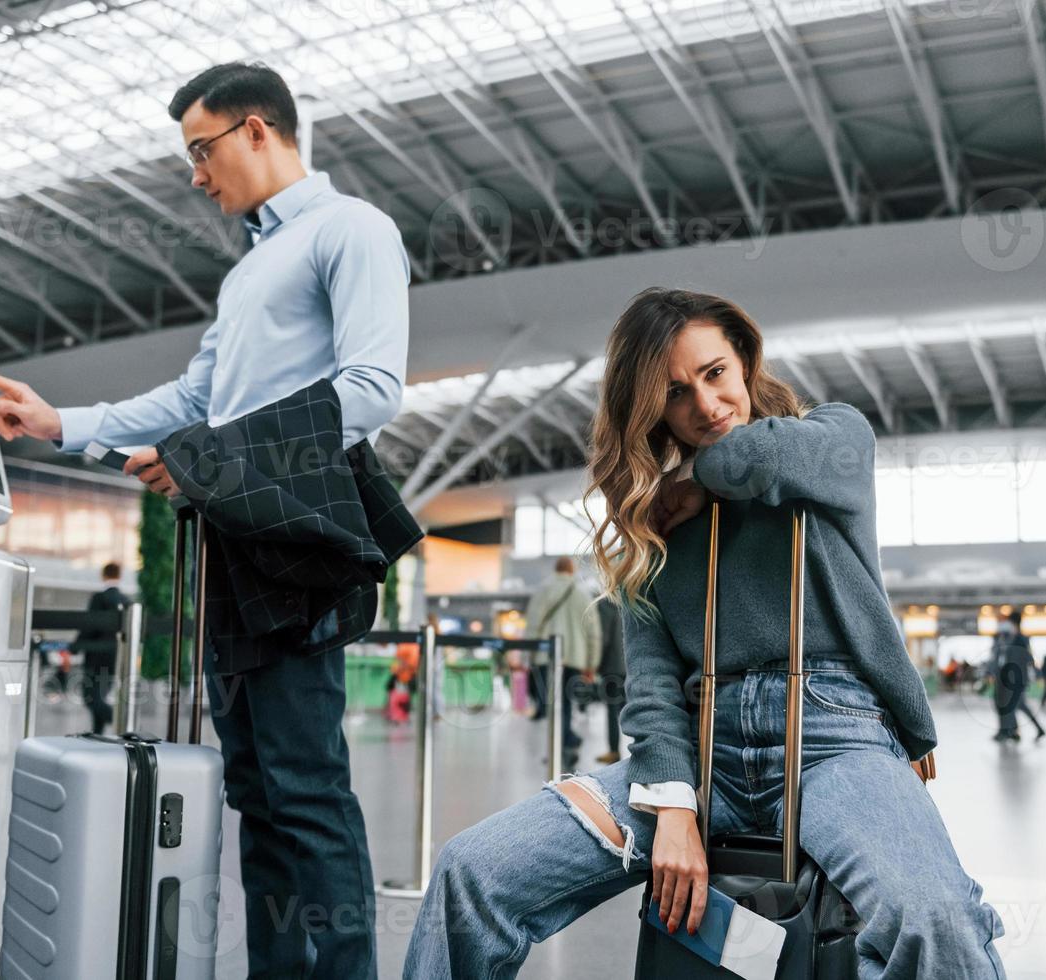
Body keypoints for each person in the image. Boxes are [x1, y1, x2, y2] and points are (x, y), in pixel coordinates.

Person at [403, 288, 1005, 979]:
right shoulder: (650, 526)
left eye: (715, 373)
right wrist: (674, 809)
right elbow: (653, 686)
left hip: (834, 742)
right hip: (698, 749)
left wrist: (699, 481)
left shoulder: (831, 443)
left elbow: (745, 460)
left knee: (935, 919)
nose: (706, 406)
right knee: (471, 873)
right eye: (674, 393)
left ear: (745, 359)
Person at [0, 62, 409, 980]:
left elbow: (371, 391)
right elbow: (193, 398)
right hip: (235, 549)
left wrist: (214, 459)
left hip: (295, 549)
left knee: (306, 791)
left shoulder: (351, 230)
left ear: (256, 130)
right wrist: (62, 424)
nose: (196, 175)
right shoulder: (253, 270)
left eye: (201, 151)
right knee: (259, 791)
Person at [524, 557, 603, 769]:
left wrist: (528, 657)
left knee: (551, 704)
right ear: (572, 570)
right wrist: (591, 664)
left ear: (556, 569)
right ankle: (565, 742)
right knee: (566, 703)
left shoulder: (542, 591)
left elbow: (532, 625)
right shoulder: (582, 594)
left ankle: (564, 743)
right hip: (575, 659)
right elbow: (593, 633)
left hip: (545, 657)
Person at [71, 562, 126, 734]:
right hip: (114, 658)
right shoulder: (125, 600)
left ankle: (122, 725)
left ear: (103, 575)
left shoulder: (99, 598)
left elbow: (89, 626)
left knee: (90, 698)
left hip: (95, 657)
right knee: (99, 695)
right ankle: (97, 732)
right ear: (119, 576)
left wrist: (75, 647)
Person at [993, 610, 1046, 742]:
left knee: (1013, 706)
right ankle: (1032, 730)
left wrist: (1036, 674)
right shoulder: (1010, 638)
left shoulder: (1020, 639)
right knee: (1019, 706)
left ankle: (1011, 732)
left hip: (1017, 679)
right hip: (1013, 679)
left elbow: (1029, 659)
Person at [594, 594, 627, 765]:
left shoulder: (606, 604)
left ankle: (614, 751)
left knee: (612, 709)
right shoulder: (631, 599)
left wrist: (596, 664)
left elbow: (603, 637)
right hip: (629, 664)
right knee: (630, 706)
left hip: (612, 665)